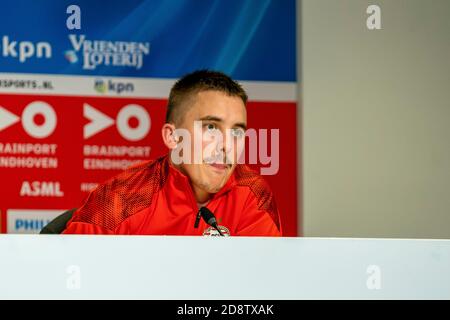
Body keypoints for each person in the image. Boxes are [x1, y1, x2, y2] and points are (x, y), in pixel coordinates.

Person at [63, 70, 281, 236]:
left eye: (236, 132)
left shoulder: (253, 196)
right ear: (172, 137)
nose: (227, 145)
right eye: (211, 127)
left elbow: (263, 285)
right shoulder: (118, 201)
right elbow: (67, 282)